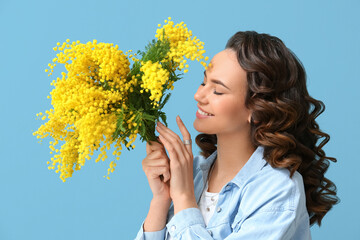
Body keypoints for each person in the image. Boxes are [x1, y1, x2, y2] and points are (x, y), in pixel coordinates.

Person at [134, 31, 339, 239]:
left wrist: (184, 198)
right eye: (204, 82)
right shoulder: (191, 172)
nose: (198, 95)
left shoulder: (277, 190)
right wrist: (162, 199)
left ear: (257, 110)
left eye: (218, 91)